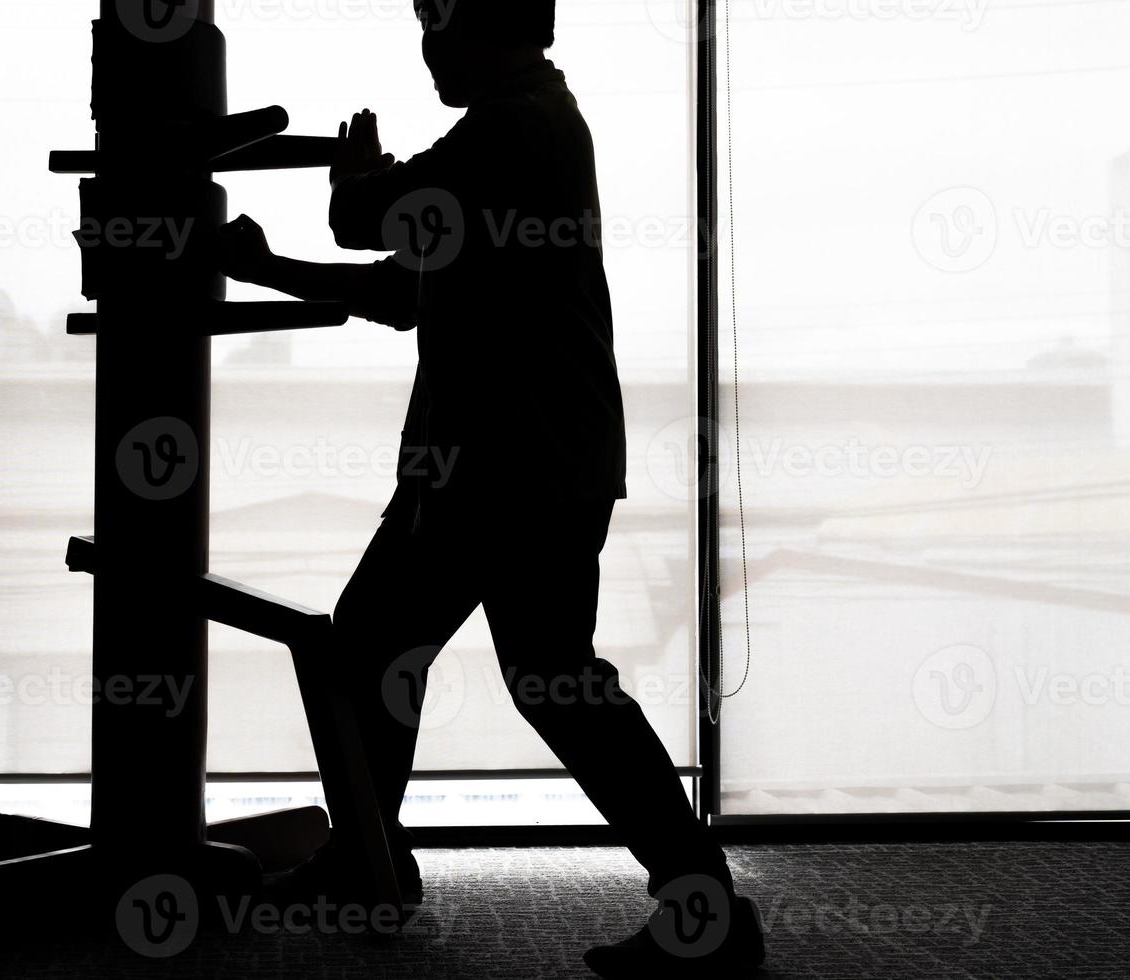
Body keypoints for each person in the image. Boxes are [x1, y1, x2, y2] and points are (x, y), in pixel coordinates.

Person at [217, 1, 764, 974]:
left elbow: (365, 221)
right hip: (524, 460)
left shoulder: (513, 129)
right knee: (484, 665)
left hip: (506, 464)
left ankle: (374, 860)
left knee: (423, 656)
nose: (428, 50)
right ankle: (693, 905)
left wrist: (354, 178)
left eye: (440, 30)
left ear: (488, 30)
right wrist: (263, 268)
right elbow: (400, 290)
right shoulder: (521, 134)